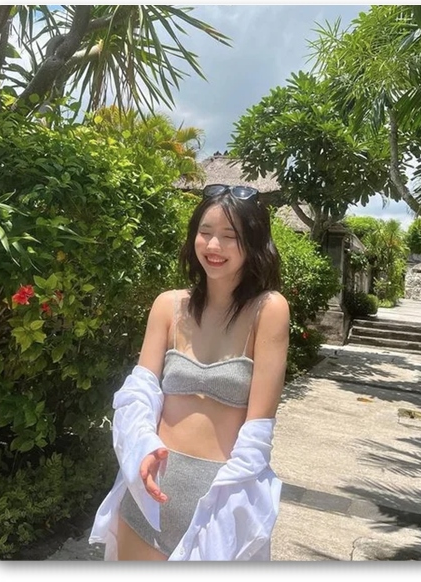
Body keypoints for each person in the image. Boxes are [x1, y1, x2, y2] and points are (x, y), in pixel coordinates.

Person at [89, 183, 290, 560]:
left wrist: (233, 506)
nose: (214, 246)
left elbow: (259, 427)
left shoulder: (269, 310)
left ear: (254, 242)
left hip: (221, 498)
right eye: (205, 232)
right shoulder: (168, 305)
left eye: (230, 236)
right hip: (150, 489)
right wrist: (141, 448)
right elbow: (138, 394)